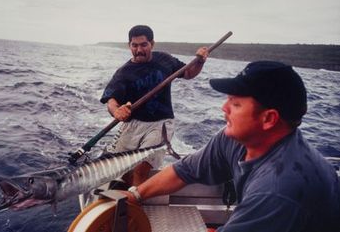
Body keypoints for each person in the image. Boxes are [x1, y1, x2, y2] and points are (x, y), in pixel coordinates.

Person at [123, 61, 340, 232]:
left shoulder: (277, 190)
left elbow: (271, 198)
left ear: (269, 119)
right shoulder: (235, 139)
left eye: (235, 104)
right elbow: (184, 171)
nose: (223, 107)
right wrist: (135, 196)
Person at [100, 25, 209, 186]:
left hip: (161, 123)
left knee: (141, 168)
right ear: (129, 45)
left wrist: (200, 61)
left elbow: (188, 73)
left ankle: (134, 205)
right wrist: (117, 112)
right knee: (120, 169)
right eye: (134, 45)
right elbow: (111, 100)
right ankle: (126, 196)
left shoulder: (165, 59)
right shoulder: (123, 73)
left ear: (152, 43)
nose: (139, 50)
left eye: (143, 45)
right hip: (133, 124)